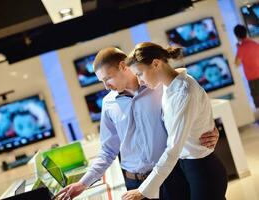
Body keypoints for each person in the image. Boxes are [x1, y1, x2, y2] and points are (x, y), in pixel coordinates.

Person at [55, 47, 219, 200]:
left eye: (108, 78)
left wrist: (209, 130)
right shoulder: (108, 104)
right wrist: (83, 183)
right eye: (102, 81)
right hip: (134, 182)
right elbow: (107, 151)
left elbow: (194, 105)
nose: (106, 87)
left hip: (171, 176)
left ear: (122, 66)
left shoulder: (159, 86)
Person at [123, 42, 228, 200]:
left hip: (203, 170)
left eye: (139, 74)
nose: (139, 81)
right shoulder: (168, 86)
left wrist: (143, 190)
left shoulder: (184, 92)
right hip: (187, 167)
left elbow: (173, 147)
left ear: (156, 64)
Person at [234, 24, 259, 108]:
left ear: (237, 36)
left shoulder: (241, 48)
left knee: (258, 100)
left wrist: (238, 48)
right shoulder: (255, 44)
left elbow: (237, 64)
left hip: (253, 79)